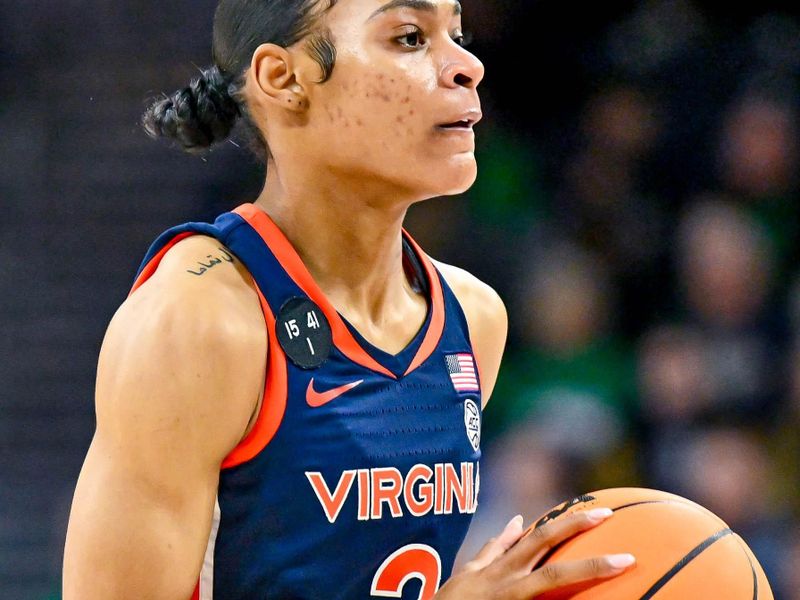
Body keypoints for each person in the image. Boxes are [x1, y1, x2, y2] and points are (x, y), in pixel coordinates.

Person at [62, 0, 636, 598]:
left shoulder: (473, 317)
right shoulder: (200, 323)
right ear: (284, 80)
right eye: (411, 37)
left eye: (458, 34)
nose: (468, 65)